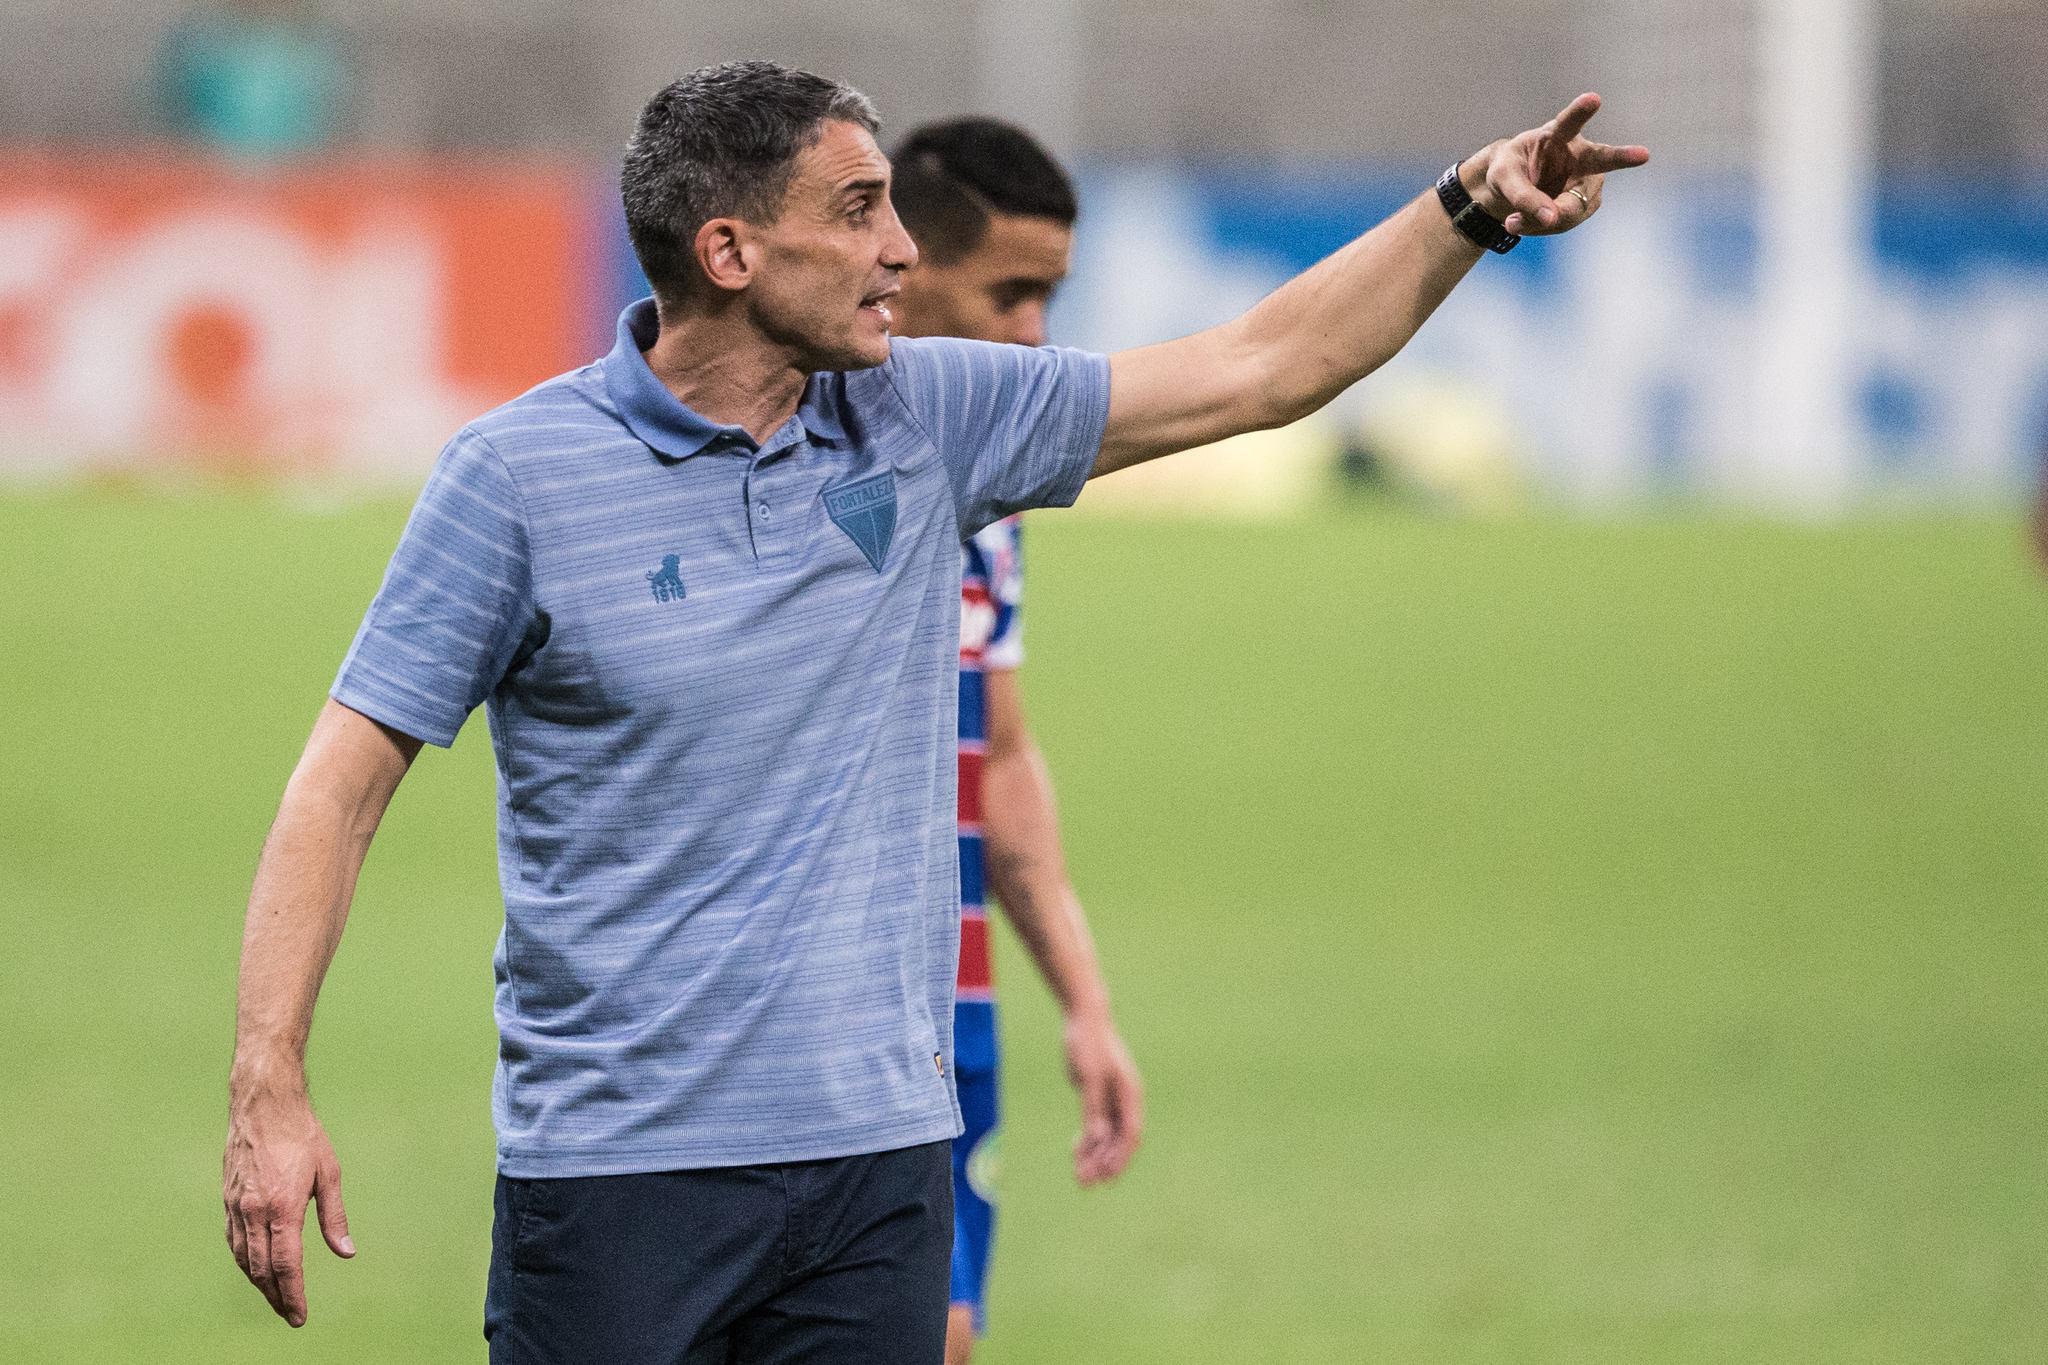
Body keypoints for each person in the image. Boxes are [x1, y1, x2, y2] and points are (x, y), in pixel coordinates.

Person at [221, 59, 1646, 1364]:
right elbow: (339, 787)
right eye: (858, 211)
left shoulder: (927, 416)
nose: (904, 249)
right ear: (729, 252)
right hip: (619, 1182)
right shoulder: (517, 478)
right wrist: (267, 1083)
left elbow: (1263, 366)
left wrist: (1471, 207)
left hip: (878, 1174)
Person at [887, 117, 1142, 1363]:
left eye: (1051, 296)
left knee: (943, 1336)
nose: (1036, 333)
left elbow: (993, 753)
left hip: (957, 1006)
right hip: (823, 1020)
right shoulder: (798, 457)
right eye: (1009, 294)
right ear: (900, 265)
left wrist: (1083, 1002)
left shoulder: (990, 496)